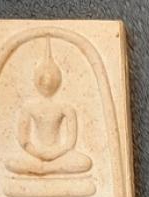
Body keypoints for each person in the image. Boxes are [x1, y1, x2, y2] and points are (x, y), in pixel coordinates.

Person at [6, 37, 92, 176]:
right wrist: (38, 153)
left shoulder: (65, 107)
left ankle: (44, 169)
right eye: (43, 79)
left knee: (84, 162)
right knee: (11, 162)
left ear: (58, 80)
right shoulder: (29, 108)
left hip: (59, 154)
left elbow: (70, 142)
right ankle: (44, 168)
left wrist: (54, 154)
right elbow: (24, 140)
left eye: (52, 78)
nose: (47, 83)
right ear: (36, 81)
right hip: (35, 154)